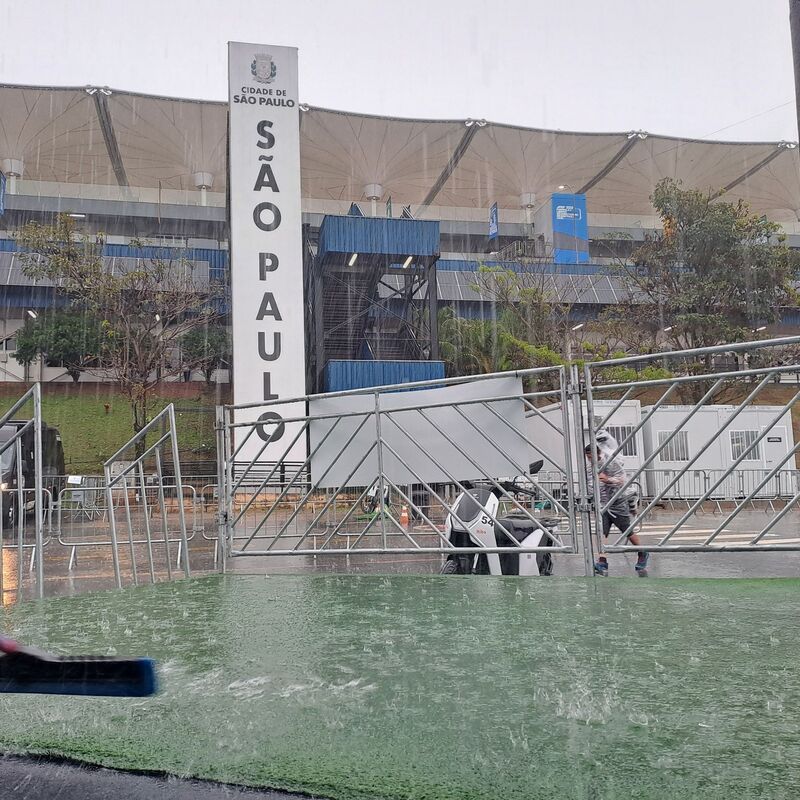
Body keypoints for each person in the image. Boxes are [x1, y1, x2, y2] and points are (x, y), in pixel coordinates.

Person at [584, 443, 649, 575]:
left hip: (616, 502)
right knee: (601, 532)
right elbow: (589, 483)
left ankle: (643, 552)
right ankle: (602, 560)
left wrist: (608, 480)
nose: (590, 460)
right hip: (601, 505)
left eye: (592, 457)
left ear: (598, 454)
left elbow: (622, 479)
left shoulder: (610, 463)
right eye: (588, 457)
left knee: (627, 531)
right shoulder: (588, 468)